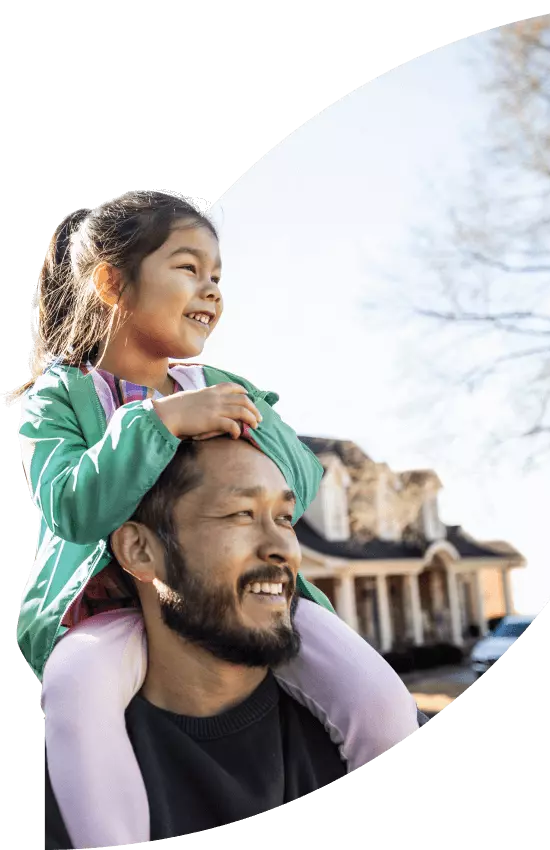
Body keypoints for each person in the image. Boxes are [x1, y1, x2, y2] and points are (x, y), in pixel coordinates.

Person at [18, 192, 425, 848]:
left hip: (241, 597)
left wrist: (244, 426)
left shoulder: (221, 381)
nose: (210, 288)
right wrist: (156, 424)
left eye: (217, 275)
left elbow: (299, 480)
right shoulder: (58, 399)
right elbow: (71, 507)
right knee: (74, 689)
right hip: (107, 607)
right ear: (111, 281)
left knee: (378, 700)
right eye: (188, 267)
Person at [44, 435, 366, 845]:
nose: (282, 548)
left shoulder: (368, 731)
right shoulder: (59, 790)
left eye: (285, 517)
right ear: (140, 550)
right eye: (241, 513)